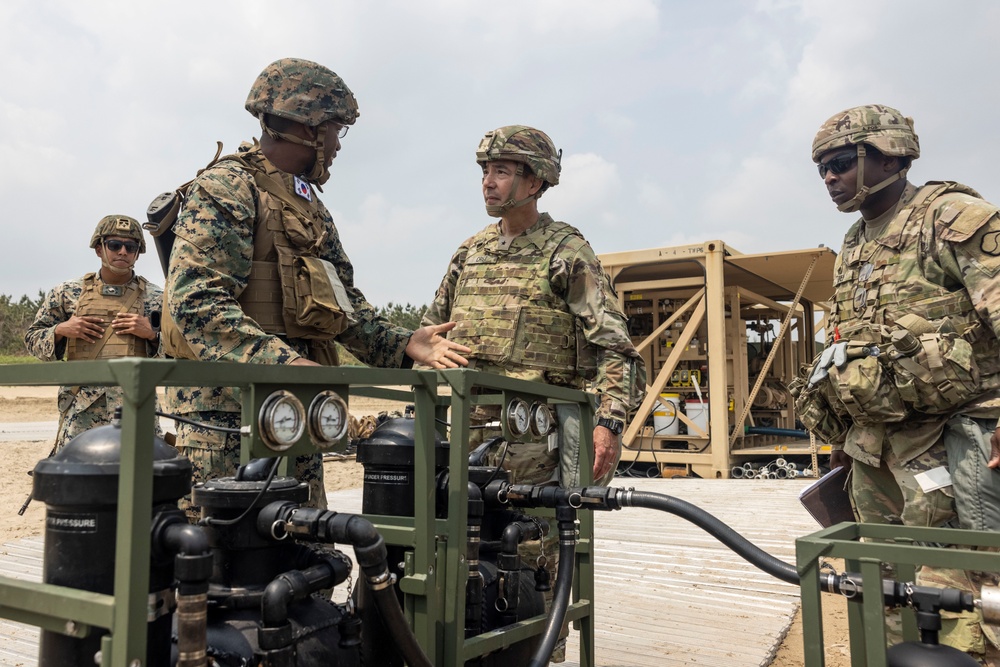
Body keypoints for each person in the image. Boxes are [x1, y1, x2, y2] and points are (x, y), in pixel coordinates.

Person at [163, 58, 469, 515]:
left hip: (296, 415)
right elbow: (195, 303)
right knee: (225, 564)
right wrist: (288, 364)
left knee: (306, 548)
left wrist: (405, 346)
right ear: (304, 127)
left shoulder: (309, 206)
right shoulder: (227, 187)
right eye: (335, 130)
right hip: (226, 421)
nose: (337, 145)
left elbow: (343, 307)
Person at [423, 125, 645, 661]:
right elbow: (430, 334)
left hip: (537, 451)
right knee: (456, 566)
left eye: (502, 172)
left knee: (530, 572)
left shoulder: (566, 252)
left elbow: (617, 350)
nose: (488, 184)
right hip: (465, 445)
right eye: (484, 172)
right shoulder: (469, 253)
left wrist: (608, 425)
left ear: (537, 181)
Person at [809, 103, 1000, 662]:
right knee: (885, 580)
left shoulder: (954, 217)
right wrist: (844, 440)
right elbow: (847, 345)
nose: (829, 177)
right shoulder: (854, 242)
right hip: (875, 449)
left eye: (841, 162)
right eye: (821, 167)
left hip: (956, 438)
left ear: (889, 153)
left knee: (963, 585)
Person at [25, 215, 164, 449]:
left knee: (144, 477)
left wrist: (152, 335)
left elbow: (178, 354)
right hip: (82, 410)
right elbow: (32, 341)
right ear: (99, 249)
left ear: (137, 253)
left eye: (131, 247)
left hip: (137, 404)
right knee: (78, 479)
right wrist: (61, 330)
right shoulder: (68, 293)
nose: (122, 252)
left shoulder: (157, 298)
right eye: (114, 245)